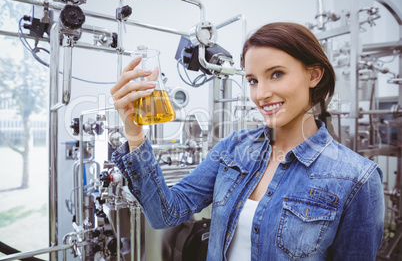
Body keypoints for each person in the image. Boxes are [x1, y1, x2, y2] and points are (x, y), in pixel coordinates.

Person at [110, 22, 385, 260]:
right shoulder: (234, 148)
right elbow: (165, 214)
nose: (261, 94)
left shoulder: (357, 179)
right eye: (253, 80)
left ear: (313, 75)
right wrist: (134, 133)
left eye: (276, 74)